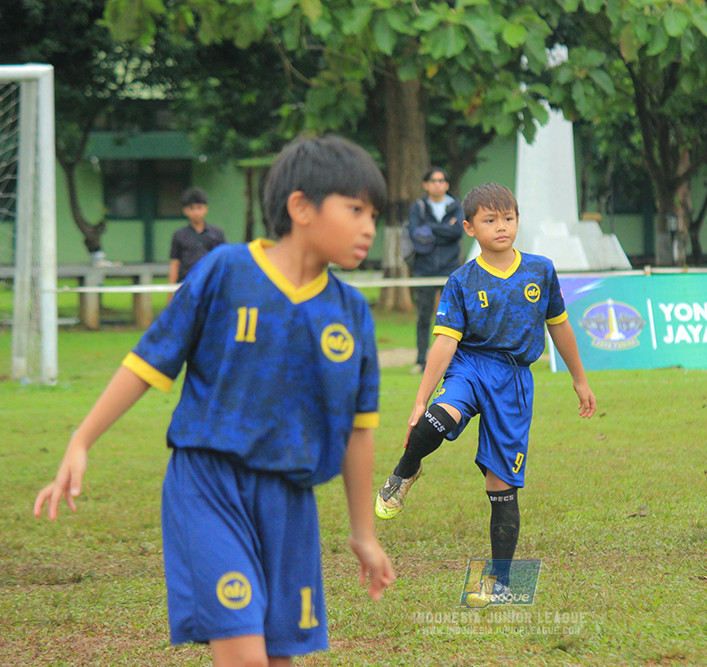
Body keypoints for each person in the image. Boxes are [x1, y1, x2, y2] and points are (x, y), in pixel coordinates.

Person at [34, 135, 395, 666]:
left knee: (277, 658)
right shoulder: (228, 270)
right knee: (244, 656)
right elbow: (148, 362)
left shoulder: (351, 313)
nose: (369, 226)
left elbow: (358, 431)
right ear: (301, 207)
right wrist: (81, 439)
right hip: (208, 484)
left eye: (374, 214)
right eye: (356, 209)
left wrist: (363, 533)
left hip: (291, 501)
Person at [374, 182, 597, 607]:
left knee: (502, 485)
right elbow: (444, 343)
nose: (502, 227)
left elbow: (560, 326)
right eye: (490, 220)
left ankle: (501, 583)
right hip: (470, 367)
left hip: (513, 381)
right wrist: (421, 399)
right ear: (469, 228)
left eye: (508, 218)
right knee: (438, 417)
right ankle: (404, 472)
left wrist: (579, 379)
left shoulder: (540, 270)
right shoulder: (461, 280)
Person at [408, 167, 465, 374]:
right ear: (426, 185)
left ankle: (454, 361)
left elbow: (458, 231)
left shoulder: (455, 205)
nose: (437, 184)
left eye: (441, 180)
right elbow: (416, 233)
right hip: (424, 270)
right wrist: (444, 229)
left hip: (450, 270)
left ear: (447, 184)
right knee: (424, 316)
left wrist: (430, 228)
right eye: (433, 181)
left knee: (452, 318)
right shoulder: (419, 207)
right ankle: (421, 361)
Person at [167, 187, 227, 303]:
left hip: (211, 284)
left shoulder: (217, 234)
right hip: (187, 284)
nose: (196, 212)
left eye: (199, 208)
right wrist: (171, 292)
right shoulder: (179, 235)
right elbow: (175, 263)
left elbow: (223, 261)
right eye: (192, 209)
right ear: (185, 211)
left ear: (206, 209)